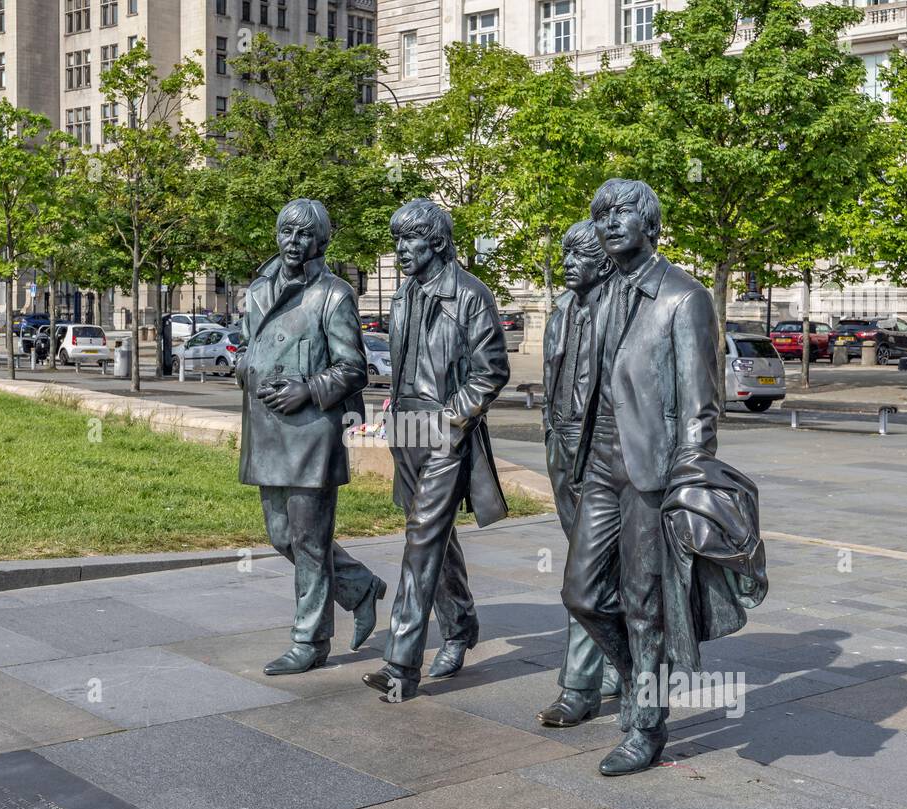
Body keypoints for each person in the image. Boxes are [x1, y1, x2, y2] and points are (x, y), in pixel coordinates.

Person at [561, 178, 765, 777]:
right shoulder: (600, 296)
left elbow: (701, 404)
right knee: (581, 593)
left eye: (624, 212)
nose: (611, 222)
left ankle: (647, 724)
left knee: (644, 602)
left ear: (650, 222)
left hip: (652, 471)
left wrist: (689, 482)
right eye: (602, 214)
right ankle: (636, 679)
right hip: (598, 463)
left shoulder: (684, 298)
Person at [361, 198, 510, 701]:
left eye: (410, 240)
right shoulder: (404, 294)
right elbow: (406, 364)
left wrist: (449, 419)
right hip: (405, 429)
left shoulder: (470, 295)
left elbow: (491, 372)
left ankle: (401, 664)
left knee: (421, 542)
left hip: (445, 432)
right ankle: (461, 625)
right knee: (433, 537)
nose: (401, 249)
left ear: (439, 242)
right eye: (397, 239)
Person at [237, 198, 387, 676]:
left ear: (321, 240)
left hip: (312, 432)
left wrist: (307, 388)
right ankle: (360, 587)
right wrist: (247, 370)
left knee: (310, 540)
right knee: (282, 535)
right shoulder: (258, 289)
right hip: (266, 428)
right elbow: (246, 347)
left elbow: (354, 368)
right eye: (287, 232)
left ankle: (310, 639)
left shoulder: (334, 295)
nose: (294, 242)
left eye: (304, 235)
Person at [535, 220, 620, 729]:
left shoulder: (623, 309)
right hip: (562, 446)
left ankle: (579, 686)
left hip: (605, 452)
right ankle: (619, 664)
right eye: (564, 253)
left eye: (578, 254)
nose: (567, 262)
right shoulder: (563, 309)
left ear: (605, 259)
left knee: (582, 574)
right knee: (589, 566)